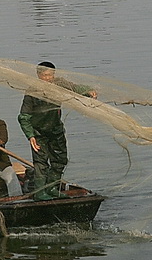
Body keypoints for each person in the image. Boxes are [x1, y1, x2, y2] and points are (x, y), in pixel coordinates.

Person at [18, 62, 97, 201]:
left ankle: (52, 188)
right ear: (39, 75)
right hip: (38, 133)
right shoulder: (32, 92)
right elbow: (24, 116)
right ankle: (40, 193)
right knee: (41, 163)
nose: (48, 78)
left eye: (51, 75)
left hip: (55, 130)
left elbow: (75, 88)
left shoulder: (59, 84)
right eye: (45, 75)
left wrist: (88, 91)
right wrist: (30, 136)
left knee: (60, 160)